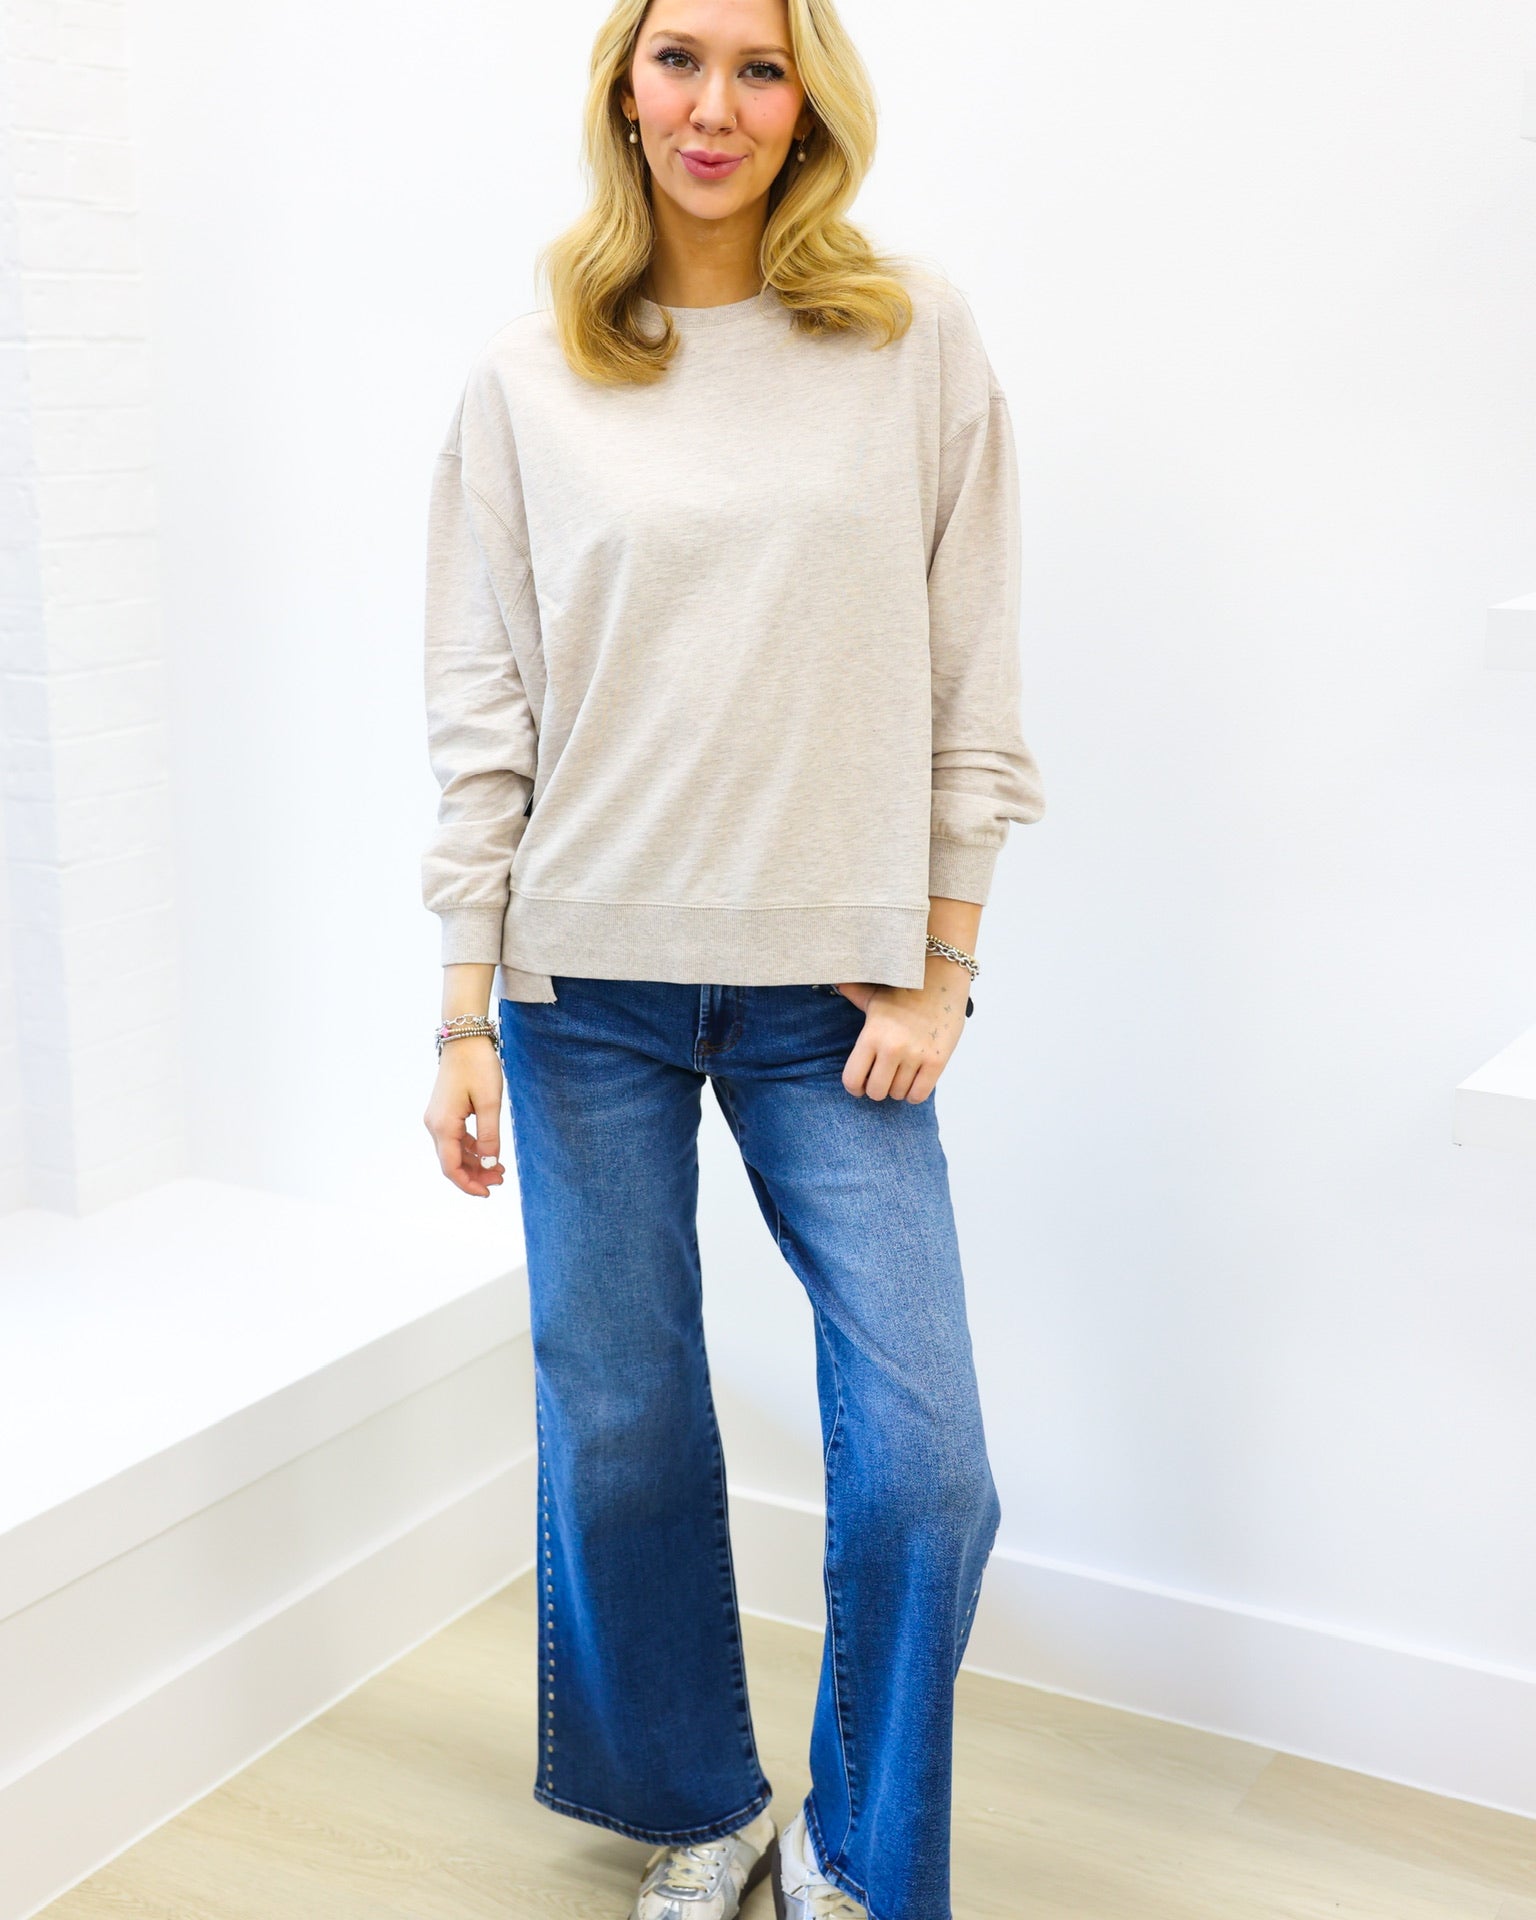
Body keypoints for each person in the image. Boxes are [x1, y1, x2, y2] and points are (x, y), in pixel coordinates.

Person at [420, 2, 1046, 1915]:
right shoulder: (527, 383)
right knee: (616, 1435)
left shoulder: (909, 338)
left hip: (833, 1001)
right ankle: (701, 1804)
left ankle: (860, 1856)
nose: (716, 105)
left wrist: (946, 963)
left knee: (928, 1462)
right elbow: (482, 709)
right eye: (679, 58)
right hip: (574, 987)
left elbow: (972, 671)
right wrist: (460, 1004)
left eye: (760, 67)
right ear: (625, 83)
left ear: (811, 103)